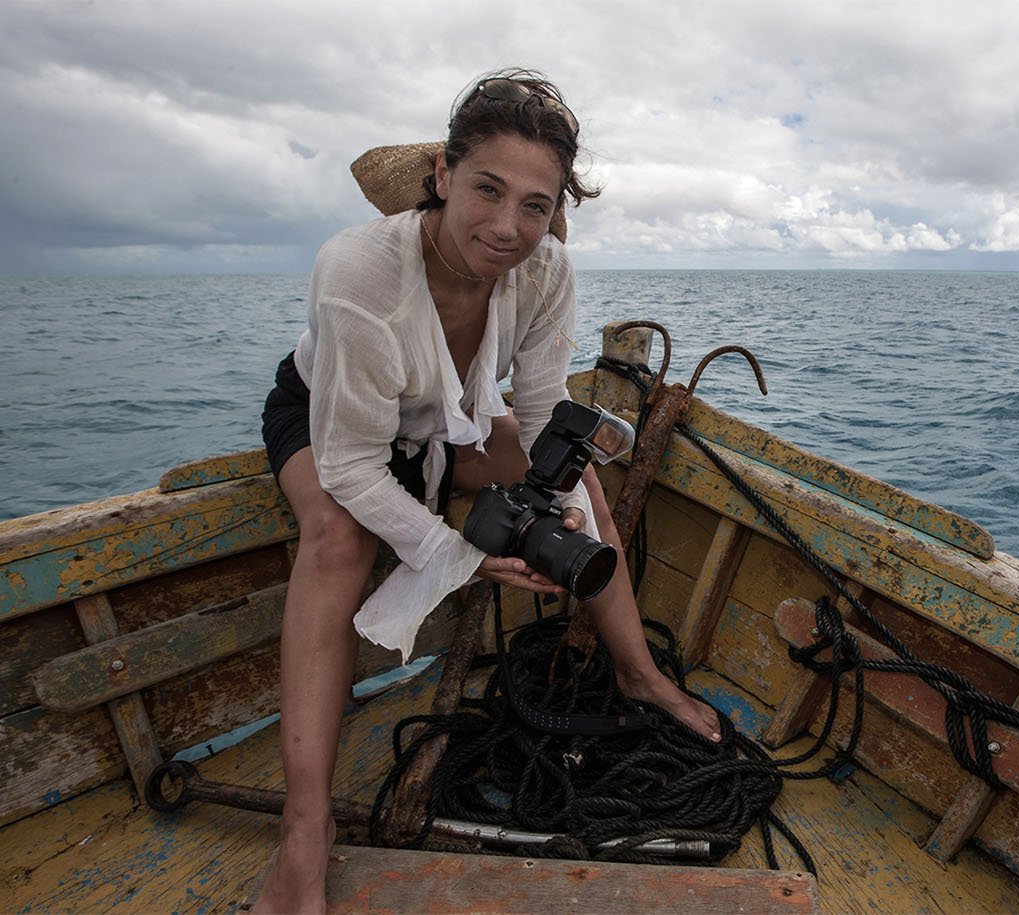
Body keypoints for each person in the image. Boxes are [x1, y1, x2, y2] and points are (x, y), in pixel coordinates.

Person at [250, 69, 721, 914]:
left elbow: (543, 419)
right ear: (442, 174)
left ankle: (640, 673)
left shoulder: (544, 271)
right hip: (333, 420)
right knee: (338, 538)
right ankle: (304, 828)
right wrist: (459, 554)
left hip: (451, 421)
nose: (508, 227)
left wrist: (556, 509)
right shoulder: (359, 272)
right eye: (488, 190)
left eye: (535, 206)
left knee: (579, 479)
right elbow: (352, 466)